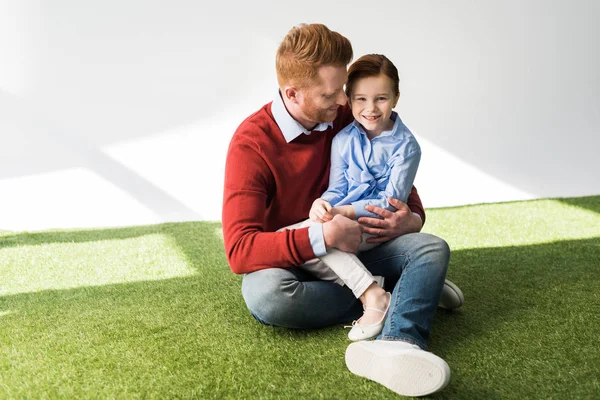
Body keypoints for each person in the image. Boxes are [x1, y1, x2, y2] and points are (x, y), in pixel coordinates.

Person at [222, 23, 463, 397]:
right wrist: (322, 235)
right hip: (293, 262)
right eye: (331, 94)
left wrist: (410, 218)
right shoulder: (251, 144)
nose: (343, 104)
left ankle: (399, 341)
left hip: (357, 243)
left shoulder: (343, 114)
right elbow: (240, 251)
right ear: (293, 93)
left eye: (343, 92)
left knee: (430, 248)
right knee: (268, 296)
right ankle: (405, 291)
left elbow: (397, 182)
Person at [277, 53, 424, 342]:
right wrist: (324, 204)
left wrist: (345, 213)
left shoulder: (407, 147)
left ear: (395, 98)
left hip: (376, 226)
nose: (370, 108)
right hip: (343, 218)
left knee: (315, 240)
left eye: (381, 98)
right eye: (360, 99)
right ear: (349, 98)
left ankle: (375, 297)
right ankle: (391, 284)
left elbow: (390, 202)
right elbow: (337, 188)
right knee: (287, 239)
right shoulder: (342, 139)